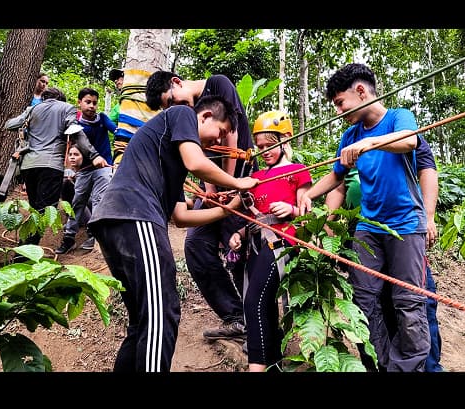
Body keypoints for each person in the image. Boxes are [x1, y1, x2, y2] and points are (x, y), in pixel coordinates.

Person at [88, 95, 258, 372]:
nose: (219, 142)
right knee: (162, 313)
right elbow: (196, 163)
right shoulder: (182, 114)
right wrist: (239, 182)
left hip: (116, 221)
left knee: (143, 321)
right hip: (135, 214)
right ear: (204, 117)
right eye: (222, 132)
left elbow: (181, 217)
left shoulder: (171, 160)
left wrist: (227, 210)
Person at [298, 63, 430, 372]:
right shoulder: (350, 134)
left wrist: (369, 142)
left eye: (340, 103)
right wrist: (309, 195)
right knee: (363, 301)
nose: (339, 110)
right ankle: (380, 365)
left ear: (360, 92)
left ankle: (408, 368)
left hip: (406, 224)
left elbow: (410, 140)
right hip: (369, 227)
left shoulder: (398, 117)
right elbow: (336, 175)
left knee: (407, 302)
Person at [146, 71, 257, 341]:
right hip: (214, 186)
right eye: (168, 108)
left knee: (239, 249)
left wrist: (230, 185)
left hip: (239, 181)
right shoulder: (189, 113)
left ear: (176, 82)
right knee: (195, 245)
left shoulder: (218, 84)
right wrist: (209, 191)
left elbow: (230, 134)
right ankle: (237, 318)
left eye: (171, 101)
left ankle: (258, 327)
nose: (173, 109)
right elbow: (197, 155)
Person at [325, 137, 444, 372]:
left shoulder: (400, 134)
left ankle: (426, 367)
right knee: (368, 302)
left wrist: (428, 216)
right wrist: (328, 225)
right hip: (361, 233)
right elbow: (338, 184)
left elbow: (427, 171)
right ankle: (379, 365)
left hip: (403, 230)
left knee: (415, 302)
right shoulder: (351, 142)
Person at [227, 110, 312, 372]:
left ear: (285, 139)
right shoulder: (257, 178)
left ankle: (257, 368)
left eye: (270, 145)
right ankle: (273, 365)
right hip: (257, 245)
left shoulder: (298, 171)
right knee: (261, 305)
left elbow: (308, 215)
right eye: (260, 146)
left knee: (254, 301)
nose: (264, 151)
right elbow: (253, 214)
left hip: (283, 243)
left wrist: (292, 210)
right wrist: (238, 234)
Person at [4, 87, 108, 245]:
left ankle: (25, 247)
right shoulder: (67, 108)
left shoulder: (32, 109)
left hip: (29, 167)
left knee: (35, 207)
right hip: (51, 166)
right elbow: (76, 133)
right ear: (62, 99)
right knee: (45, 210)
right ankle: (25, 251)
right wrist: (94, 155)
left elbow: (10, 125)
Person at [55, 87, 116, 254]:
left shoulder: (102, 118)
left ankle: (95, 235)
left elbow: (116, 131)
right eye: (88, 102)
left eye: (95, 103)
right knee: (78, 201)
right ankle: (69, 238)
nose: (92, 106)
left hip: (103, 167)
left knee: (98, 200)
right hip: (84, 169)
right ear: (79, 102)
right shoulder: (75, 123)